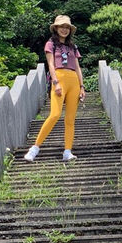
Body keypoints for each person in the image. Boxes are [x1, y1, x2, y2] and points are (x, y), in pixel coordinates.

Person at [24, 14, 85, 162]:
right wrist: (56, 82)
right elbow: (50, 64)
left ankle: (67, 151)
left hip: (74, 81)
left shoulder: (73, 47)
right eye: (62, 27)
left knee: (70, 119)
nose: (64, 30)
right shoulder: (50, 44)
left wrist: (82, 87)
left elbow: (77, 67)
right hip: (59, 78)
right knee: (55, 114)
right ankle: (35, 148)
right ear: (56, 28)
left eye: (67, 27)